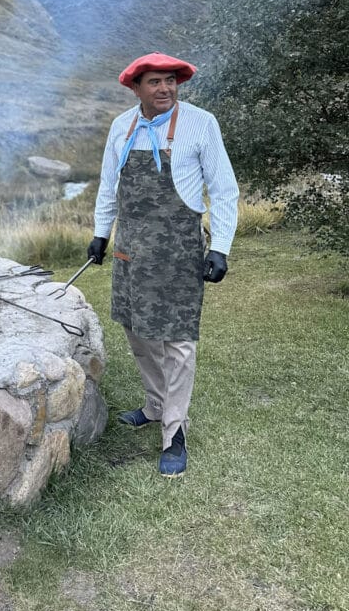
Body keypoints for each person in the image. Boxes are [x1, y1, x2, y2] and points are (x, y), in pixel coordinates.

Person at [88, 52, 238, 477]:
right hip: (132, 247)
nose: (165, 88)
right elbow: (108, 185)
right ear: (136, 88)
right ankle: (155, 405)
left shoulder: (200, 123)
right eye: (154, 82)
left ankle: (175, 431)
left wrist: (220, 247)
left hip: (177, 250)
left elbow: (224, 190)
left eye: (170, 81)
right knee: (137, 330)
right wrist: (101, 233)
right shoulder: (122, 126)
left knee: (177, 340)